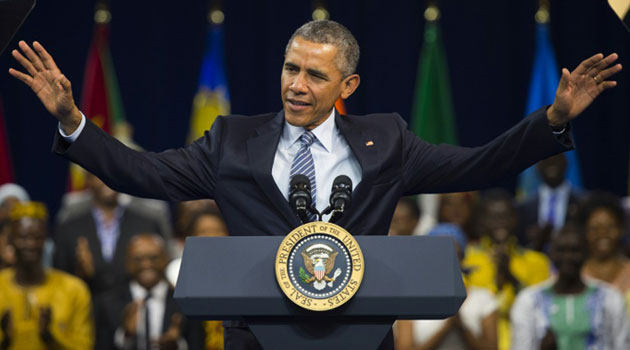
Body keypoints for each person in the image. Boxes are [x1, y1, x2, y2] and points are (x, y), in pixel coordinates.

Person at [8, 18, 621, 350]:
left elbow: (479, 165)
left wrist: (554, 120)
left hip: (360, 334)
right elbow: (139, 173)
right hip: (256, 338)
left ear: (346, 87)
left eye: (314, 75)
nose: (296, 85)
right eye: (289, 68)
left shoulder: (389, 141)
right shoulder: (230, 140)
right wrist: (71, 120)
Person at [511, 225, 630, 350]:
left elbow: (622, 345)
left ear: (586, 253)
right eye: (561, 250)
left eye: (575, 250)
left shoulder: (609, 298)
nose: (567, 257)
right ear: (551, 254)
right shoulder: (529, 301)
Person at [463, 189, 551, 350]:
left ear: (515, 219)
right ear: (482, 221)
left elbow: (542, 310)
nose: (500, 222)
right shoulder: (467, 260)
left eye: (506, 216)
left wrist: (510, 276)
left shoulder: (537, 261)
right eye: (493, 217)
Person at [53, 172, 166, 296]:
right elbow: (59, 278)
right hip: (87, 307)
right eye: (99, 174)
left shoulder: (147, 224)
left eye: (112, 172)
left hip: (134, 307)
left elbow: (162, 271)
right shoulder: (68, 228)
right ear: (88, 180)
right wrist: (80, 273)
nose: (106, 180)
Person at [0, 201, 93, 350]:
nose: (30, 244)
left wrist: (51, 336)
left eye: (37, 237)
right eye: (23, 238)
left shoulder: (73, 290)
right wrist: (4, 339)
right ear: (11, 240)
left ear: (46, 240)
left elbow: (85, 346)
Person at [395, 223, 498, 350]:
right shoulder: (410, 301)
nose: (448, 261)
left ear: (462, 258)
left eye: (455, 254)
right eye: (439, 254)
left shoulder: (483, 299)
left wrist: (461, 327)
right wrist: (447, 327)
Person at [94, 234, 204, 350]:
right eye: (138, 259)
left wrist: (177, 345)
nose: (146, 264)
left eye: (153, 258)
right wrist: (126, 336)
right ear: (127, 263)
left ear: (166, 259)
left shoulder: (186, 302)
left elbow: (198, 344)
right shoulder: (108, 303)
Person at [579, 191, 630, 316]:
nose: (602, 234)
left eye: (610, 227)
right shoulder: (576, 274)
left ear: (621, 229)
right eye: (594, 228)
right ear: (584, 232)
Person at [517, 153, 581, 250]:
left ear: (566, 162)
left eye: (556, 157)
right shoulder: (524, 207)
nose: (551, 163)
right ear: (536, 166)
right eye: (546, 158)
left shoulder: (582, 202)